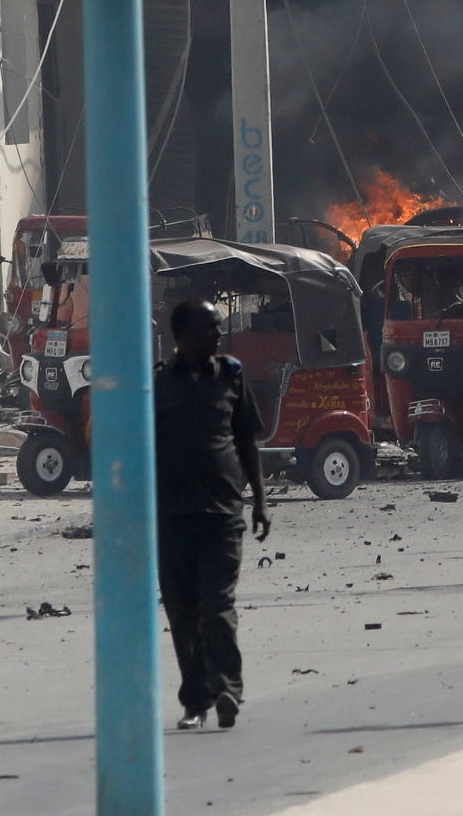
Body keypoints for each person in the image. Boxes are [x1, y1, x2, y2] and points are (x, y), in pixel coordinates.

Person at [154, 300, 271, 731]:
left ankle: (227, 689)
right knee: (183, 612)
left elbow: (246, 442)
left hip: (222, 513)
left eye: (218, 329)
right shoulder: (159, 384)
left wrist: (259, 499)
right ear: (181, 336)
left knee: (217, 605)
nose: (216, 336)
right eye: (207, 329)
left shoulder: (232, 378)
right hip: (171, 516)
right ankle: (195, 699)